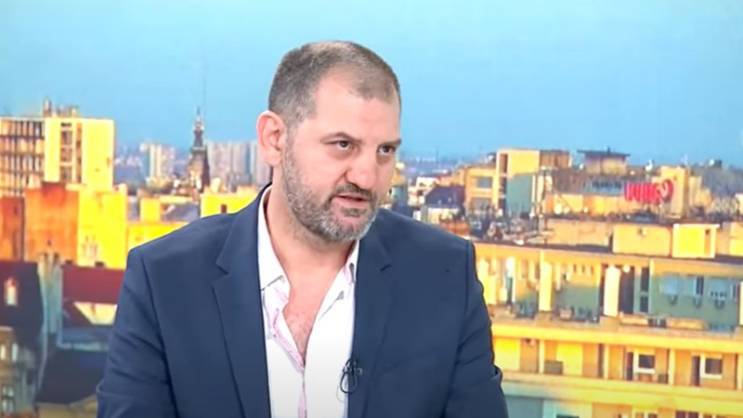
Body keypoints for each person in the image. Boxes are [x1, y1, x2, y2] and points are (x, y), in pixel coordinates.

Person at [97, 40, 508, 418]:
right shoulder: (165, 280)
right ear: (275, 139)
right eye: (343, 145)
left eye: (385, 150)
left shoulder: (443, 276)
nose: (367, 177)